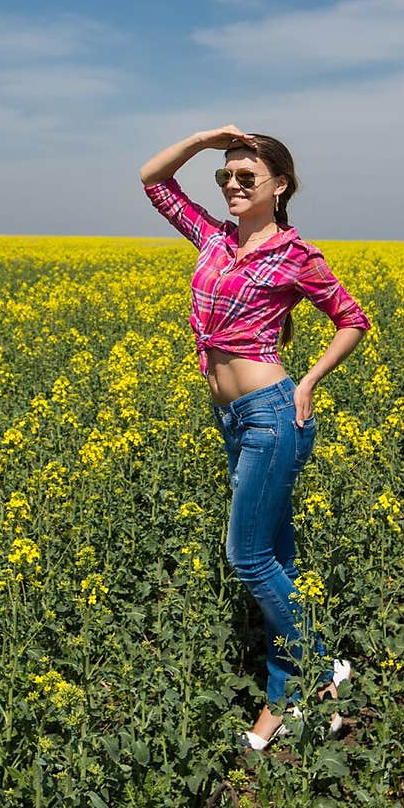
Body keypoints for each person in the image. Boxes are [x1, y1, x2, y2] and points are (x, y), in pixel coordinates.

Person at [139, 125, 371, 751]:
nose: (233, 185)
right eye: (226, 176)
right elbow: (153, 180)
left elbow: (352, 320)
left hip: (273, 413)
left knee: (247, 558)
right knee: (278, 562)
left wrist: (310, 382)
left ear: (280, 187)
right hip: (235, 419)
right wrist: (205, 140)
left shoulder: (297, 254)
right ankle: (283, 697)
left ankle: (323, 673)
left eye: (246, 176)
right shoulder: (212, 237)